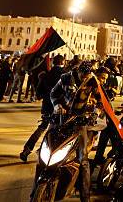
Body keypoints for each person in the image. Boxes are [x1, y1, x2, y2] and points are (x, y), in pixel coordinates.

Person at [49, 61, 101, 202]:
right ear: (78, 72)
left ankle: (85, 197)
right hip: (61, 119)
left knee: (83, 160)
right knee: (46, 150)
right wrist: (57, 105)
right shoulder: (65, 78)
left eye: (87, 76)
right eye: (82, 75)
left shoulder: (92, 81)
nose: (84, 78)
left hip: (80, 121)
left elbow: (100, 100)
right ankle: (37, 188)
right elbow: (53, 93)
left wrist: (95, 113)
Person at [20, 55, 65, 162]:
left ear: (53, 62)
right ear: (63, 62)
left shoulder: (47, 75)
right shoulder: (65, 75)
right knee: (55, 131)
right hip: (59, 108)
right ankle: (44, 151)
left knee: (42, 128)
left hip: (47, 106)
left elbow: (38, 92)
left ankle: (27, 150)